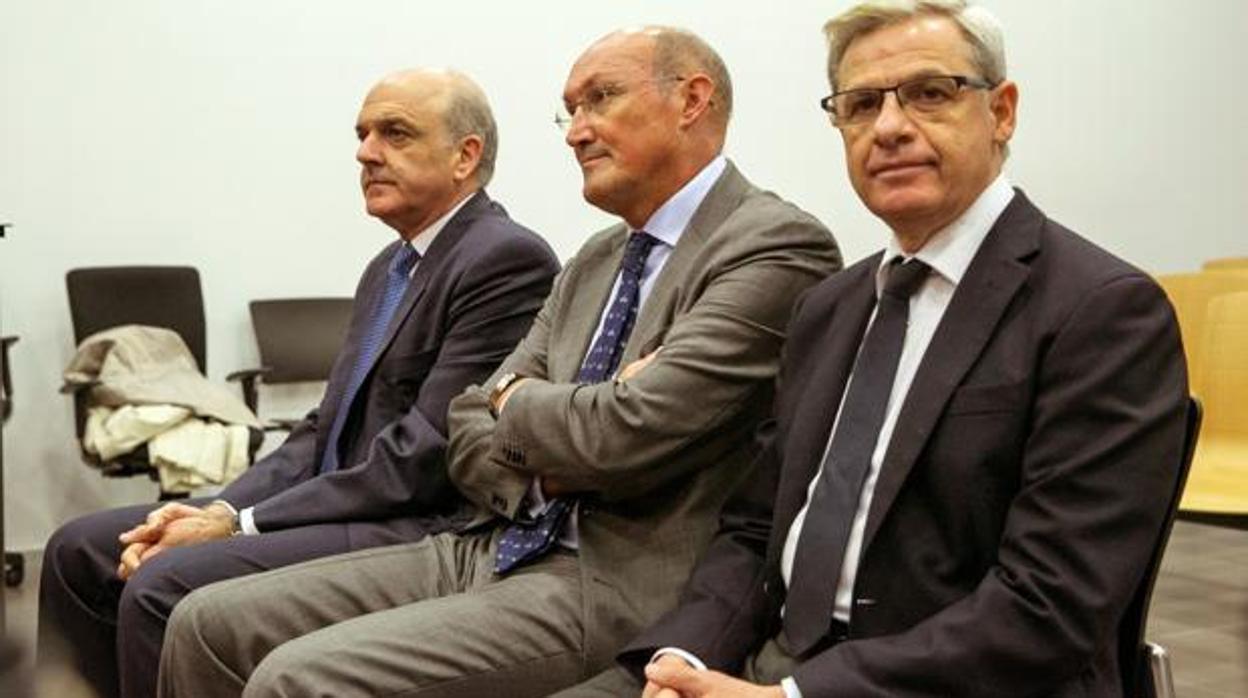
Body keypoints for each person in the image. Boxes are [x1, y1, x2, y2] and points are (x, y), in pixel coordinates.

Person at [156, 26, 842, 698]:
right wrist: (555, 431)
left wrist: (519, 403)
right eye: (569, 110)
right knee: (205, 624)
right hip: (493, 540)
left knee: (297, 678)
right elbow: (467, 426)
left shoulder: (773, 245)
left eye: (600, 98)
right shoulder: (596, 259)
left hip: (609, 579)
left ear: (691, 100)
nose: (575, 132)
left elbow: (622, 429)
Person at [615, 2, 1190, 697]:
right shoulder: (828, 308)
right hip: (767, 661)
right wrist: (685, 658)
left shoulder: (1102, 312)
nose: (888, 128)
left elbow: (1048, 605)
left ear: (1001, 112)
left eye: (929, 93)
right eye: (861, 105)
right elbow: (755, 527)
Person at [37, 68, 560, 698]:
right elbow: (322, 430)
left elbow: (423, 459)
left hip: (412, 522)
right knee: (76, 551)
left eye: (394, 133)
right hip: (339, 503)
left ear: (465, 156)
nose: (366, 153)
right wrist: (217, 509)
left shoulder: (504, 259)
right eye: (363, 135)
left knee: (159, 584)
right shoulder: (390, 267)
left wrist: (242, 523)